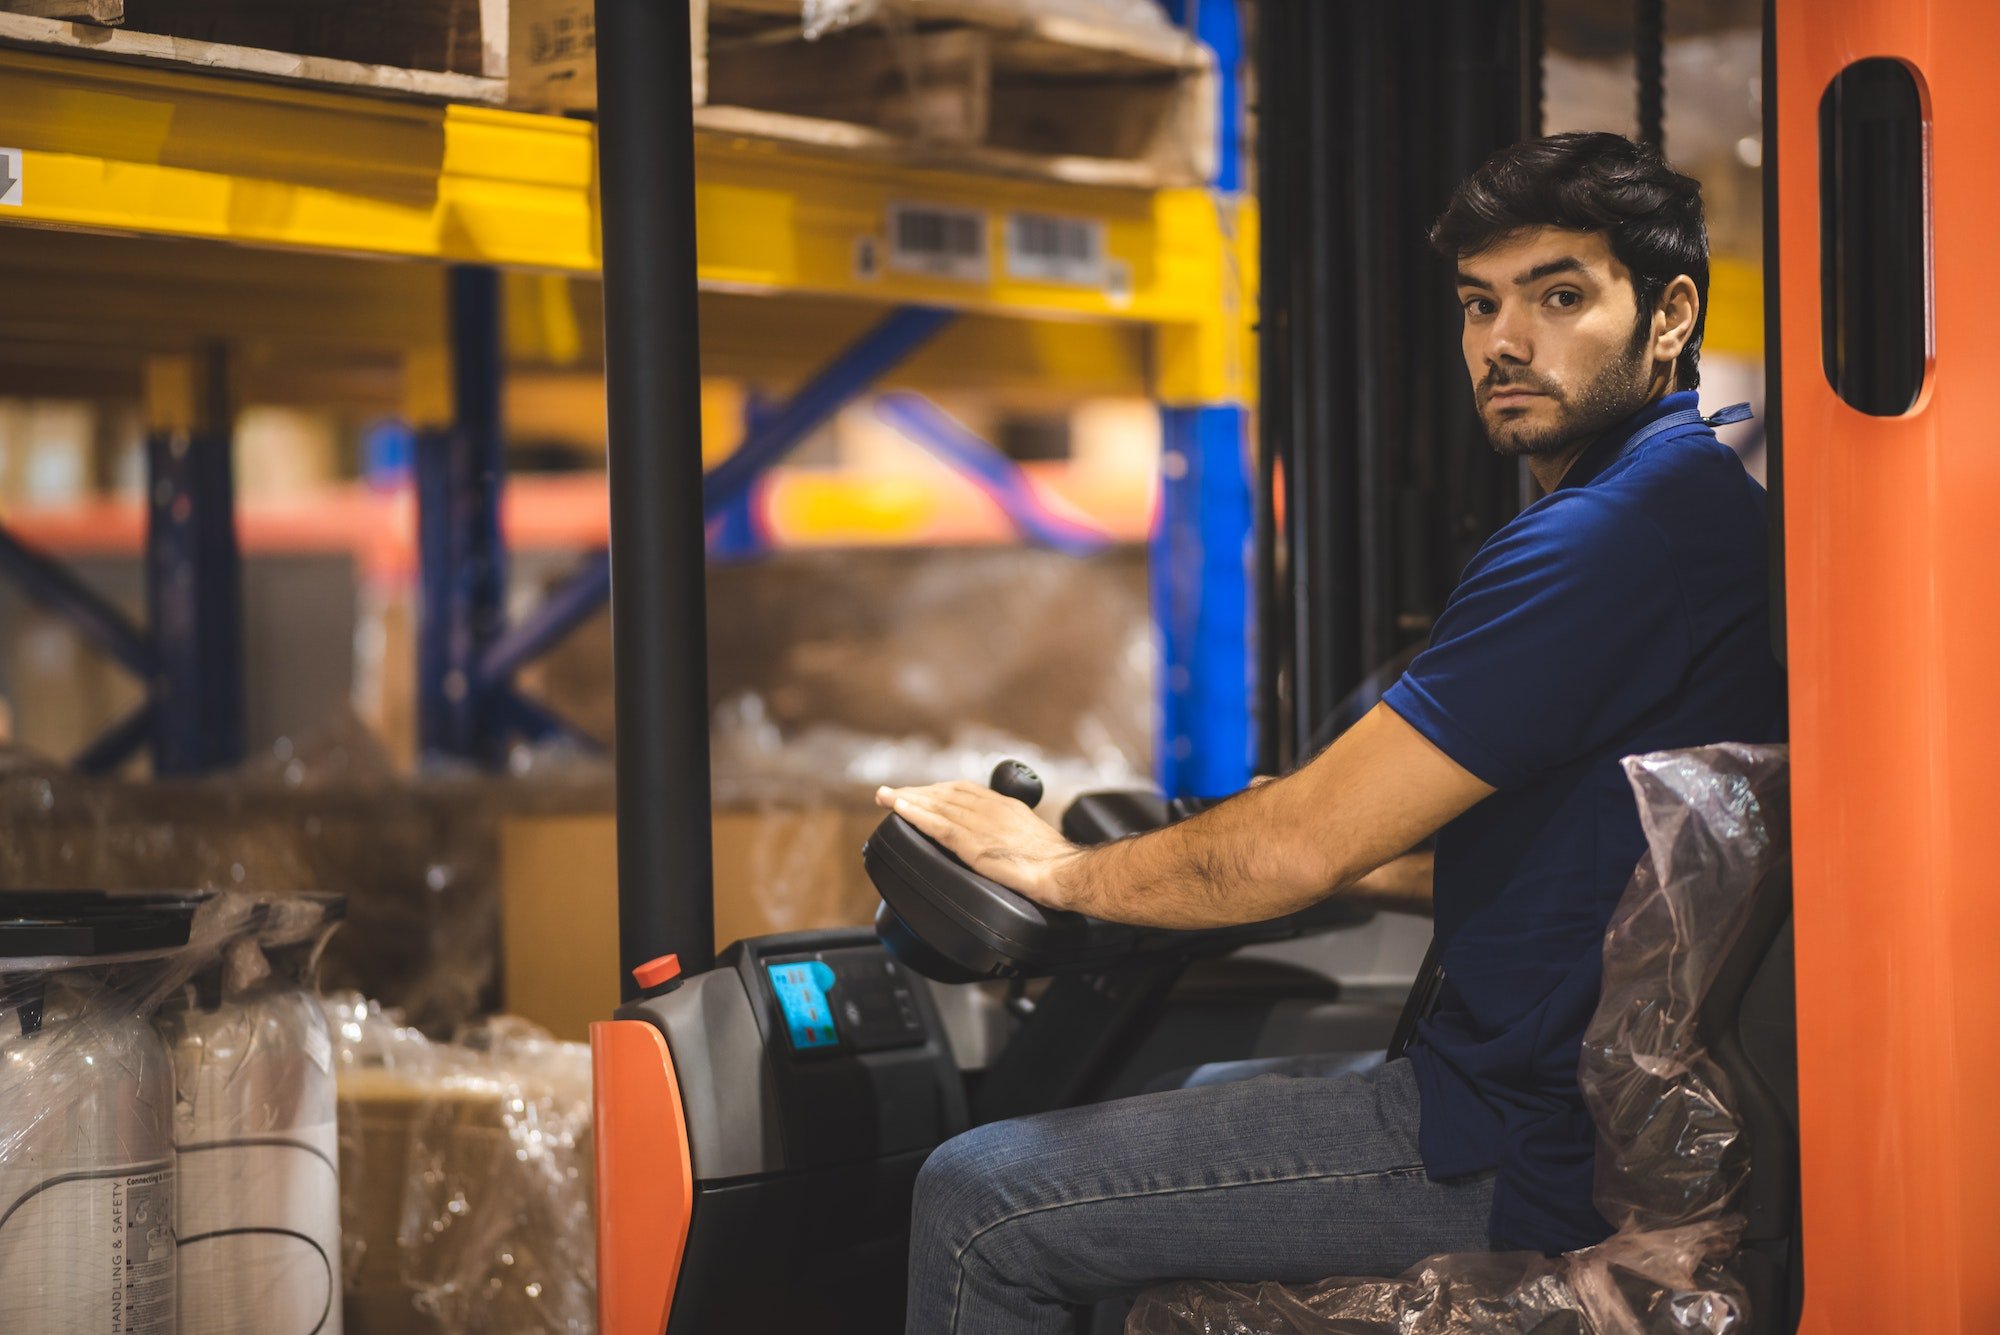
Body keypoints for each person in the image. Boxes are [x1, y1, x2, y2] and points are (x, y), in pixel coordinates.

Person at [877, 131, 1787, 1334]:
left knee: (980, 1196)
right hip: (1560, 1103)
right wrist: (1362, 851)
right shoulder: (1695, 508)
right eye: (1478, 304)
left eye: (1559, 295)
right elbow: (1596, 854)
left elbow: (1288, 853)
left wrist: (1051, 868)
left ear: (1666, 316)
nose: (1503, 343)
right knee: (1197, 1087)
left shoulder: (1600, 542)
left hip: (1516, 1138)